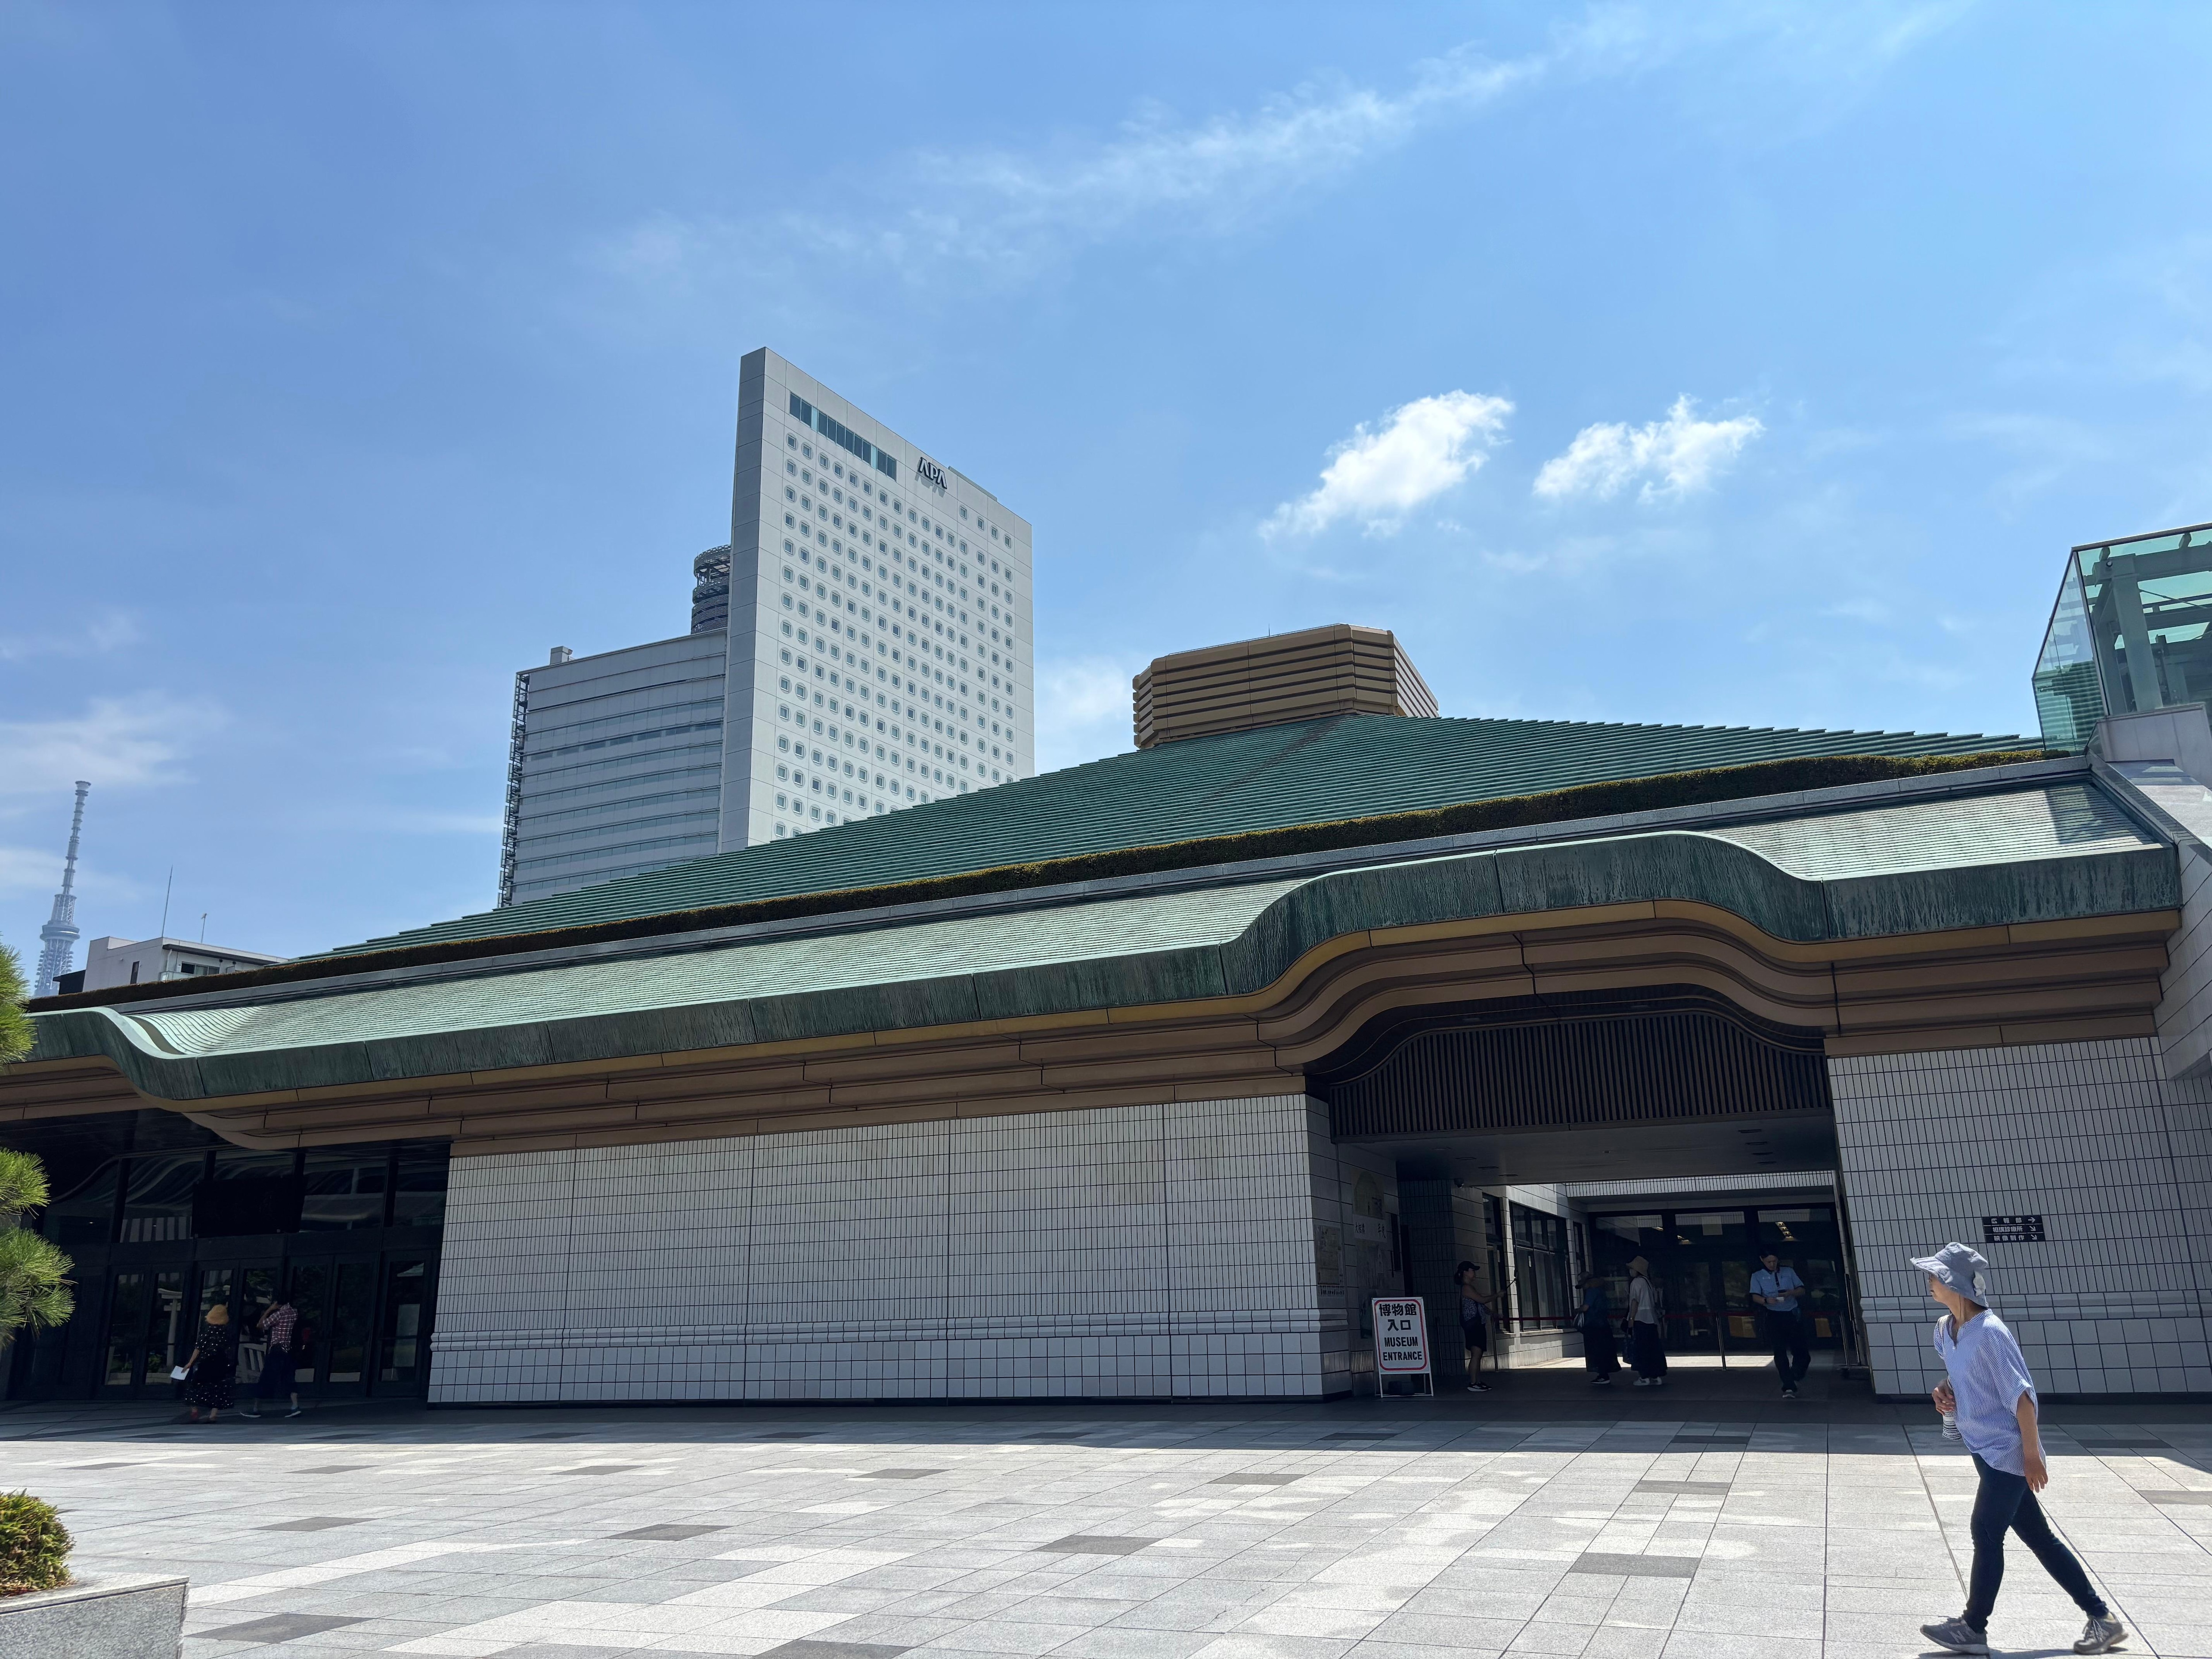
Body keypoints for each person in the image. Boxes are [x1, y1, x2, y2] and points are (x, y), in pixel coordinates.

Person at [1912, 1242, 2125, 1657]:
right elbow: (1962, 1375)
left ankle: (1973, 1627)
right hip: (1982, 1447)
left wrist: (2031, 1455)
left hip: (2008, 1451)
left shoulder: (1991, 1333)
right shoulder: (1944, 1329)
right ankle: (2102, 1618)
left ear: (1954, 1283)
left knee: (1986, 1531)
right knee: (2039, 1538)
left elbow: (2022, 1396)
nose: (1930, 1282)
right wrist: (1944, 1390)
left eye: (1935, 1275)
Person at [1749, 1248, 1812, 1399]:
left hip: (1792, 1313)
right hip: (1773, 1315)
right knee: (1780, 1351)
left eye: (1774, 1261)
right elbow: (1755, 1296)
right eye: (1769, 1262)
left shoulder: (1788, 1272)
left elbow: (1802, 1290)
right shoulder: (1757, 1276)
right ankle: (1788, 1385)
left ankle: (1795, 1374)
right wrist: (1766, 1300)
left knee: (1802, 1352)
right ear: (1762, 1260)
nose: (1772, 1264)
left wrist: (1791, 1293)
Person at [244, 1294, 303, 1420]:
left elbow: (260, 1325)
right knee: (289, 1377)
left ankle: (256, 1409)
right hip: (287, 1349)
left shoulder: (279, 1315)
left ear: (277, 1303)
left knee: (266, 1378)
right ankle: (295, 1406)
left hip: (277, 1349)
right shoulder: (294, 1313)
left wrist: (270, 1309)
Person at [182, 1303, 239, 1424]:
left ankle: (195, 1411)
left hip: (207, 1363)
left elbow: (198, 1348)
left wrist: (190, 1363)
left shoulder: (207, 1332)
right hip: (221, 1363)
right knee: (218, 1388)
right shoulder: (226, 1333)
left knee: (195, 1386)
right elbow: (229, 1349)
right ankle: (213, 1415)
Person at [1455, 1261, 1496, 1393]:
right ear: (1465, 1272)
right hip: (1473, 1325)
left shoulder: (1470, 1288)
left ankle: (1477, 1381)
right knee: (1476, 1354)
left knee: (1478, 1355)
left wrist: (1491, 1313)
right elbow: (1482, 1300)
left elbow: (1480, 1304)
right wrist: (1497, 1295)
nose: (1475, 1273)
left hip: (1477, 1325)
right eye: (1472, 1270)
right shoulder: (1466, 1288)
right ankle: (1473, 1383)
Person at [1625, 1256, 1666, 1387]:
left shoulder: (1636, 1282)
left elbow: (1635, 1301)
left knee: (1642, 1349)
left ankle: (1644, 1377)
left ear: (1636, 1270)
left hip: (1640, 1319)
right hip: (1651, 1320)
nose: (1630, 1271)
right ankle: (1656, 1375)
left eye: (1632, 1268)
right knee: (1653, 1348)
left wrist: (1631, 1319)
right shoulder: (1648, 1282)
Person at [1577, 1272, 1617, 1385]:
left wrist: (1577, 1310)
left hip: (1594, 1326)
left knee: (1597, 1351)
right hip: (1603, 1324)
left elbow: (1586, 1308)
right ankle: (1603, 1375)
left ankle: (1603, 1375)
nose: (1583, 1288)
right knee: (1604, 1350)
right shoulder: (1600, 1290)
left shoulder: (1592, 1291)